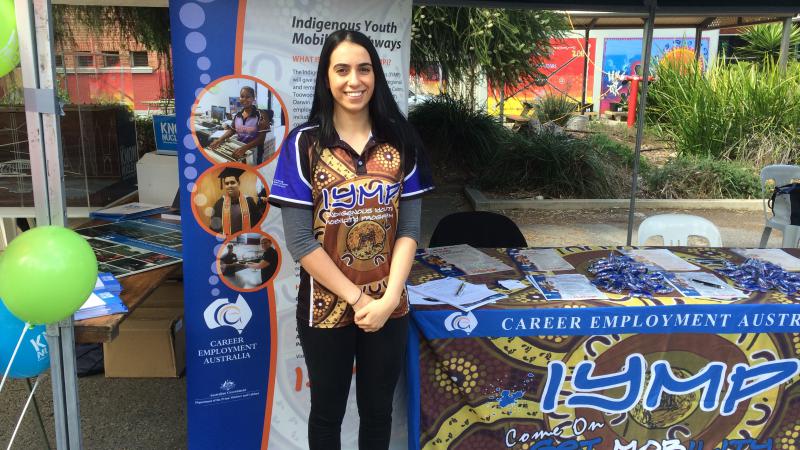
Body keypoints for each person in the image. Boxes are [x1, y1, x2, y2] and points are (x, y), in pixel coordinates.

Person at [269, 29, 433, 450]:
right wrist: (360, 301)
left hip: (389, 304)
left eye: (363, 69)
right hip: (325, 308)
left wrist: (388, 299)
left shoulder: (401, 141)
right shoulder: (303, 145)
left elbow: (410, 230)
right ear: (326, 77)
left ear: (376, 75)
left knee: (378, 411)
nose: (353, 80)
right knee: (327, 412)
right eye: (341, 69)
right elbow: (301, 241)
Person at [208, 86, 268, 164]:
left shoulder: (261, 115)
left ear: (253, 99)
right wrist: (220, 140)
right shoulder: (238, 115)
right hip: (239, 148)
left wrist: (245, 148)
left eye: (248, 97)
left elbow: (261, 139)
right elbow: (232, 130)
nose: (244, 99)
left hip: (254, 151)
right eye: (242, 96)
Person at [210, 167, 262, 235]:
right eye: (227, 183)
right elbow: (214, 227)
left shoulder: (249, 201)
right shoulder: (219, 204)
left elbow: (258, 222)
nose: (229, 186)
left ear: (238, 183)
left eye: (232, 182)